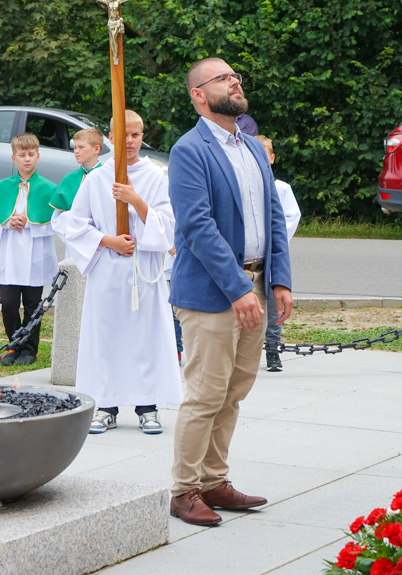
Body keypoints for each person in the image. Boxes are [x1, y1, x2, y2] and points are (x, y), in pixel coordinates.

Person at [167, 57, 293, 526]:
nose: (234, 81)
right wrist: (240, 288)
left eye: (235, 76)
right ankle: (184, 491)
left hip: (255, 284)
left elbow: (274, 217)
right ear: (198, 94)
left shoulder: (253, 148)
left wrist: (278, 279)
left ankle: (214, 481)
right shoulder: (189, 150)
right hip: (210, 292)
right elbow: (197, 227)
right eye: (221, 78)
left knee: (235, 391)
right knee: (205, 394)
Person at [65, 109, 182, 435]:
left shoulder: (156, 177)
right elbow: (75, 226)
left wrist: (135, 200)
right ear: (111, 138)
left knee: (145, 338)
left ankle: (148, 406)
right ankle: (107, 406)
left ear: (142, 136)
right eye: (123, 135)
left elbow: (169, 226)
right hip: (107, 271)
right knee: (108, 337)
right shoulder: (97, 177)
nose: (130, 141)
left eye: (136, 135)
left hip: (142, 271)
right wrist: (109, 240)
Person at [0, 133, 59, 366]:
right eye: (21, 155)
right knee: (7, 302)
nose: (26, 159)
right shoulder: (5, 186)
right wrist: (9, 222)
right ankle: (12, 346)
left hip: (36, 252)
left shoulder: (48, 188)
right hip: (11, 252)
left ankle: (29, 349)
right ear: (13, 158)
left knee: (32, 304)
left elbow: (55, 222)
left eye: (30, 154)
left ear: (37, 156)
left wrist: (30, 223)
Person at [255, 135, 300, 372]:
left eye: (265, 155)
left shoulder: (281, 188)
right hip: (249, 257)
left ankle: (273, 349)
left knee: (274, 305)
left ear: (272, 158)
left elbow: (291, 217)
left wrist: (276, 242)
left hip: (272, 255)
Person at [49, 128, 103, 259]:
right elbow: (57, 218)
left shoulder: (107, 177)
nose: (76, 151)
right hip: (74, 245)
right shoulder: (69, 179)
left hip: (101, 244)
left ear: (96, 149)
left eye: (81, 147)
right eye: (75, 148)